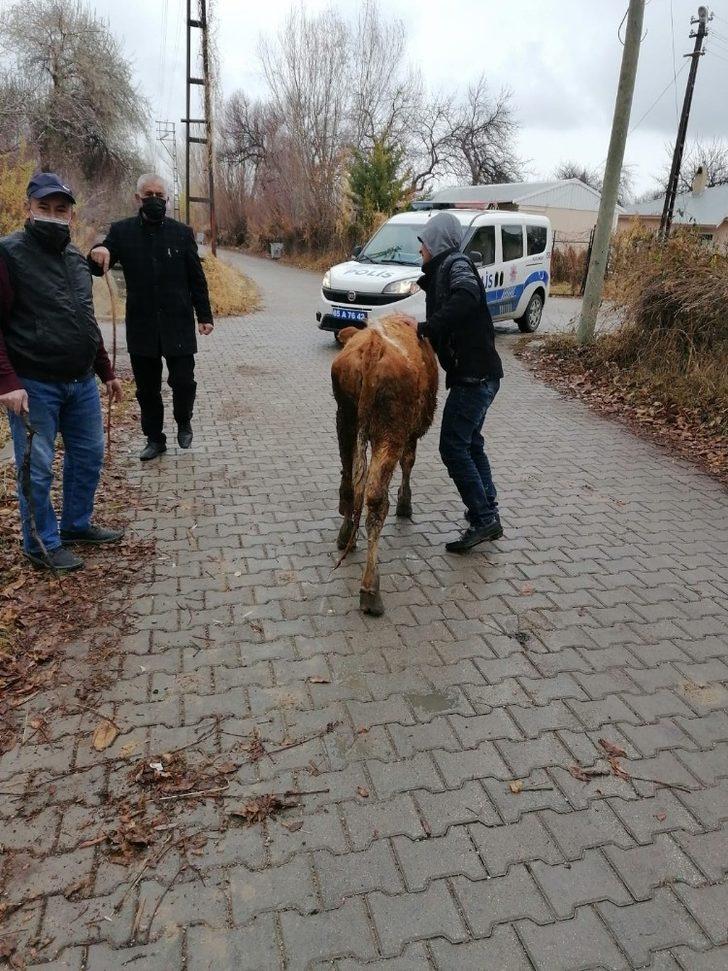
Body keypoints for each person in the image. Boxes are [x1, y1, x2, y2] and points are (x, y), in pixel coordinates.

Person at [0, 172, 124, 572]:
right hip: (34, 384)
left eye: (61, 209)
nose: (53, 215)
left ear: (71, 214)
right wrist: (7, 381)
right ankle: (40, 543)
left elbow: (85, 323)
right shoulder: (8, 254)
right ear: (28, 209)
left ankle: (75, 525)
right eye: (45, 208)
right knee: (36, 467)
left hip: (80, 381)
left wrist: (106, 372)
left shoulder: (75, 259)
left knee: (88, 456)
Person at [88, 174, 214, 461]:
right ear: (138, 198)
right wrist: (98, 252)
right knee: (147, 390)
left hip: (178, 323)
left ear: (166, 200)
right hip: (142, 325)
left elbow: (197, 279)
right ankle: (155, 439)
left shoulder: (182, 233)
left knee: (183, 381)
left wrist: (204, 315)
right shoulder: (121, 232)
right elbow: (100, 264)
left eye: (160, 195)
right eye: (149, 194)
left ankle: (184, 420)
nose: (155, 199)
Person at [409, 211, 504, 553]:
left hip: (475, 377)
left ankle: (483, 519)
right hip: (481, 375)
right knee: (471, 442)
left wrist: (429, 327)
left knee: (452, 446)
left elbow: (466, 297)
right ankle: (487, 507)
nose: (420, 249)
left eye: (423, 242)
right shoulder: (442, 271)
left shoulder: (457, 265)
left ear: (435, 243)